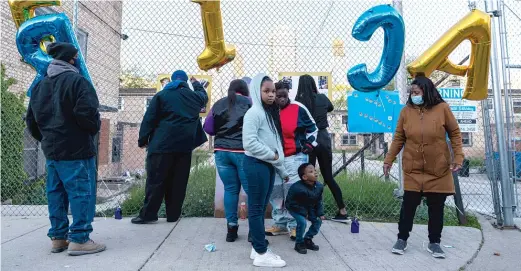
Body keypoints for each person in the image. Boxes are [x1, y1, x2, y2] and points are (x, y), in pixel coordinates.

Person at [25, 42, 105, 256]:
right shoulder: (78, 82)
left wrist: (47, 139)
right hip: (76, 149)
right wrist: (90, 130)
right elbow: (88, 115)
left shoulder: (40, 86)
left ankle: (59, 238)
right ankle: (79, 238)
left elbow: (31, 121)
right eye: (76, 57)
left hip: (52, 149)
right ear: (71, 59)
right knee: (81, 193)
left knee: (56, 193)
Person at [383, 74, 463, 259]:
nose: (413, 95)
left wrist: (458, 157)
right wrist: (389, 159)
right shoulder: (406, 112)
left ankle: (434, 243)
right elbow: (398, 138)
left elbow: (455, 133)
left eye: (416, 92)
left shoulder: (442, 108)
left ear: (426, 91)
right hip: (413, 169)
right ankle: (401, 239)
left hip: (438, 169)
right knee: (408, 206)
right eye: (411, 92)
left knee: (436, 208)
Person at [132, 70, 208, 224]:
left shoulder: (162, 95)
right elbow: (203, 96)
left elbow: (149, 118)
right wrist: (196, 83)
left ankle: (149, 215)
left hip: (162, 145)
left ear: (172, 81)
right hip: (184, 147)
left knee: (156, 180)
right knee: (178, 181)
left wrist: (143, 140)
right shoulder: (194, 97)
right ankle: (173, 215)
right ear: (185, 82)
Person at [243, 73, 288, 268]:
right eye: (266, 91)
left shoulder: (269, 114)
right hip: (256, 165)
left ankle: (256, 247)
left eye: (273, 91)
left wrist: (281, 168)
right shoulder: (254, 113)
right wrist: (273, 156)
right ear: (256, 91)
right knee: (256, 209)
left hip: (267, 165)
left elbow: (275, 145)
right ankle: (261, 252)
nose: (271, 95)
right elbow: (250, 143)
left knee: (261, 208)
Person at [265, 80, 318, 240]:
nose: (281, 98)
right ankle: (280, 224)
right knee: (276, 194)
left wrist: (309, 145)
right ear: (273, 95)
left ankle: (295, 226)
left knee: (292, 192)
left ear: (288, 94)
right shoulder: (268, 111)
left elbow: (313, 129)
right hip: (275, 159)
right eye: (277, 95)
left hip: (295, 158)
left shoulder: (298, 108)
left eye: (284, 95)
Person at [295, 74, 349, 222]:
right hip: (324, 138)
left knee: (307, 176)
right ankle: (342, 211)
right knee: (328, 177)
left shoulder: (299, 102)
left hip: (309, 140)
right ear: (313, 85)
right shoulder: (322, 98)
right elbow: (330, 108)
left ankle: (310, 212)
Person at [203, 79, 251, 242]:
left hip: (222, 152)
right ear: (245, 90)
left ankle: (231, 229)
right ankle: (254, 230)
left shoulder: (219, 104)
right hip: (243, 152)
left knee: (230, 189)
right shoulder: (250, 103)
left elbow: (208, 128)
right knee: (251, 189)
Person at [286, 163, 324, 254]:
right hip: (295, 207)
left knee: (318, 221)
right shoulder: (298, 189)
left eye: (314, 170)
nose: (315, 173)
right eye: (311, 172)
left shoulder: (319, 186)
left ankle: (307, 239)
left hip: (308, 207)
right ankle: (299, 243)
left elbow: (319, 201)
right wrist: (304, 213)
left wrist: (320, 213)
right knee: (302, 222)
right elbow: (291, 203)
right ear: (305, 177)